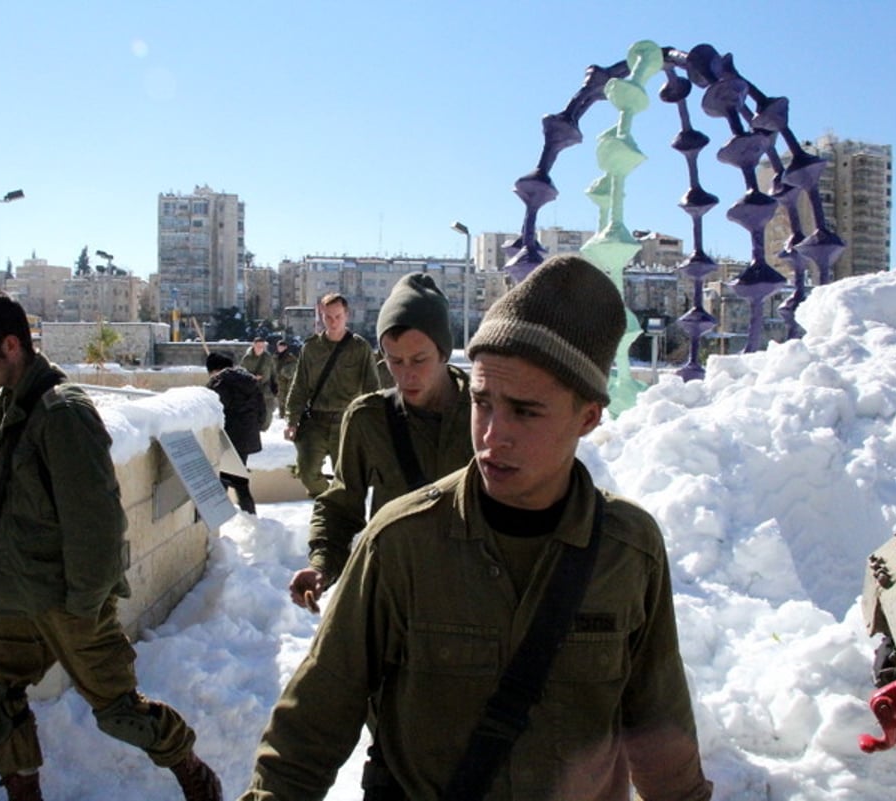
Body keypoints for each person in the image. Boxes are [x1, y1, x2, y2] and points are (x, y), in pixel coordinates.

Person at [240, 256, 713, 800]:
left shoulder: (629, 552)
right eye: (483, 404)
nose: (492, 435)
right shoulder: (399, 543)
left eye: (526, 412)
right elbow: (309, 730)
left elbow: (661, 732)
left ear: (587, 418)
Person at [0, 289, 222, 801]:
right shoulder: (14, 403)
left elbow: (97, 525)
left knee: (119, 713)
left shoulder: (62, 414)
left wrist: (82, 609)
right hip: (17, 594)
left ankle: (193, 772)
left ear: (10, 345)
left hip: (69, 601)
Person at [289, 273, 472, 612]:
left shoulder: (487, 412)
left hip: (471, 593)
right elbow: (342, 505)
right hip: (393, 591)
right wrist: (321, 566)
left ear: (444, 351)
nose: (406, 374)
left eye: (419, 360)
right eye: (394, 360)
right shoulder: (367, 419)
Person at [283, 293, 378, 497]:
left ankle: (340, 515)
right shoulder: (310, 348)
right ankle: (332, 501)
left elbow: (372, 388)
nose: (333, 322)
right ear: (321, 316)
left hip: (347, 422)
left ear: (347, 315)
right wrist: (292, 420)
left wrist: (373, 425)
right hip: (316, 421)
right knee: (307, 473)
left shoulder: (360, 348)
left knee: (348, 478)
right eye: (328, 317)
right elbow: (298, 386)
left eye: (338, 316)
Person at [206, 350, 265, 515]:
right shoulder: (250, 381)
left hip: (228, 439)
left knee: (226, 480)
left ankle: (216, 520)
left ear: (215, 370)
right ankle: (250, 518)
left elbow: (214, 410)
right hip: (246, 439)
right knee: (238, 479)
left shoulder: (220, 383)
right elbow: (262, 413)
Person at [240, 336, 277, 431]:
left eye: (262, 346)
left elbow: (273, 373)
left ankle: (264, 428)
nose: (260, 348)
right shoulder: (247, 358)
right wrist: (252, 377)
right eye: (258, 346)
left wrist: (275, 387)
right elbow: (241, 373)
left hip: (266, 389)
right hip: (251, 389)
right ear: (254, 345)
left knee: (268, 411)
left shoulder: (268, 357)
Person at [273, 340, 298, 419]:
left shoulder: (290, 357)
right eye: (279, 347)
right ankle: (281, 414)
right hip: (278, 379)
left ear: (286, 347)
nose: (281, 348)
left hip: (287, 379)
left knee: (287, 396)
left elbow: (295, 367)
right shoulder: (275, 357)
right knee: (280, 397)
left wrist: (286, 371)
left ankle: (287, 414)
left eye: (282, 347)